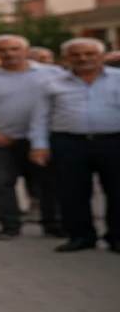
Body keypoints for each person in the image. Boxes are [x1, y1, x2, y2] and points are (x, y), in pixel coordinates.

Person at [0, 34, 64, 240]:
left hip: (42, 139)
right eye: (2, 50)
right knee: (1, 182)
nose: (9, 54)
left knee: (49, 183)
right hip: (1, 139)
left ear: (26, 50)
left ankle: (53, 224)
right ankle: (9, 225)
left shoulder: (52, 73)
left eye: (14, 49)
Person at [29, 38, 120, 253]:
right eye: (76, 55)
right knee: (72, 192)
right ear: (66, 58)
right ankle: (81, 236)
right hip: (69, 143)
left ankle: (117, 237)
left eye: (90, 54)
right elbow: (40, 117)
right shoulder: (52, 84)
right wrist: (39, 145)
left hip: (114, 141)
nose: (83, 59)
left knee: (117, 191)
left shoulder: (118, 79)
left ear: (101, 56)